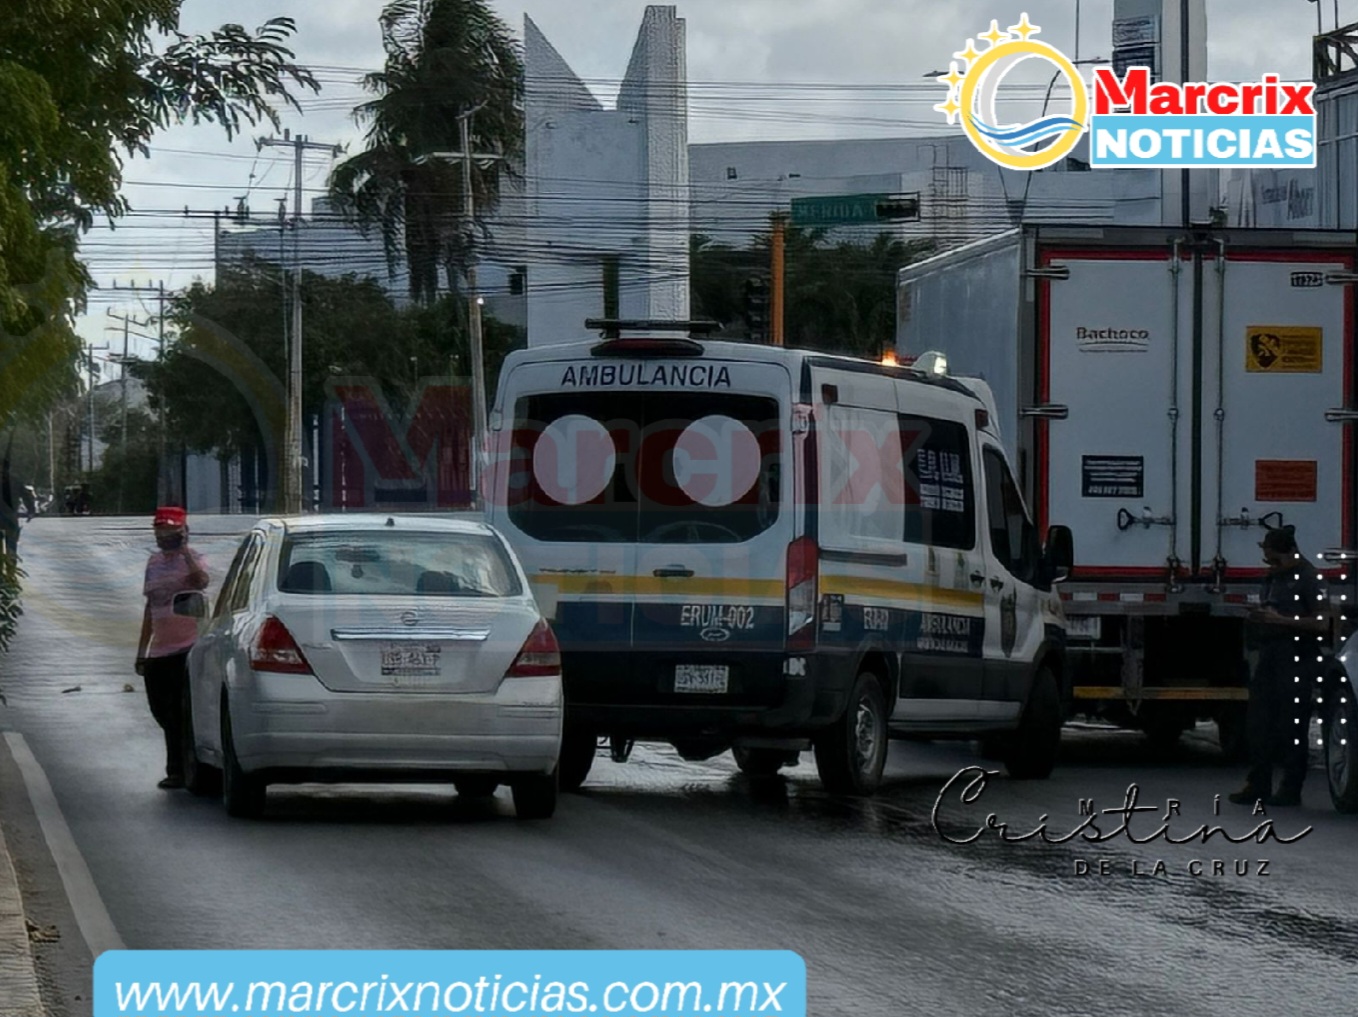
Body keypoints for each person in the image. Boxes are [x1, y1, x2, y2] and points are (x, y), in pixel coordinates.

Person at [1229, 525, 1331, 808]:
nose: (1268, 563)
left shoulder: (1310, 578)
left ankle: (1290, 787)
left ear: (1289, 553)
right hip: (1270, 653)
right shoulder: (1274, 577)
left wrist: (1280, 620)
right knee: (1259, 723)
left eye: (1272, 557)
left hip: (1297, 654)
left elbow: (1322, 622)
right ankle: (1257, 783)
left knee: (1291, 724)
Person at [134, 506, 210, 789]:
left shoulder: (194, 559)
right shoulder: (153, 563)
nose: (165, 537)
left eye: (171, 532)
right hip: (159, 650)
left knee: (181, 710)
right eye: (161, 532)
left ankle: (179, 769)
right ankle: (180, 765)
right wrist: (142, 651)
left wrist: (185, 550)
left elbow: (202, 581)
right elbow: (149, 608)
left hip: (187, 647)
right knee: (161, 710)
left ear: (183, 531)